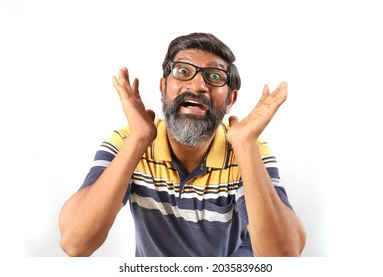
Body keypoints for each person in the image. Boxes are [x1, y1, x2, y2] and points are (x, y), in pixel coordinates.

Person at [58, 32, 306, 257]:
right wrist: (139, 139)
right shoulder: (126, 142)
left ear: (230, 99)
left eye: (214, 76)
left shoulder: (249, 149)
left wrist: (245, 145)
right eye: (183, 72)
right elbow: (76, 244)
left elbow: (283, 258)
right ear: (163, 87)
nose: (198, 86)